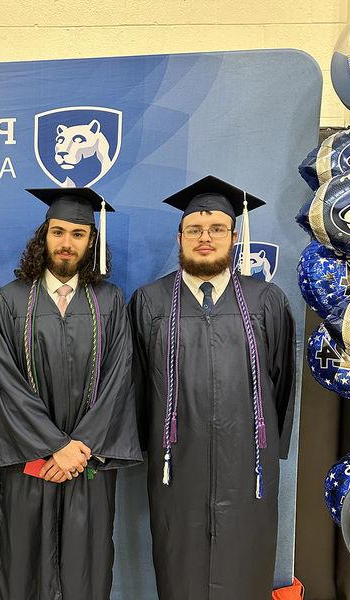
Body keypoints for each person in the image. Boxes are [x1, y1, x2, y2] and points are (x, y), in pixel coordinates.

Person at [129, 175, 297, 600]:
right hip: (176, 463)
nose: (206, 238)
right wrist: (150, 444)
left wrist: (265, 443)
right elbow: (137, 385)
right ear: (180, 236)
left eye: (217, 229)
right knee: (178, 561)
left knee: (245, 562)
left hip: (248, 463)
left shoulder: (266, 301)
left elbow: (281, 382)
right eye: (195, 230)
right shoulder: (150, 301)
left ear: (234, 237)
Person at [0, 187, 141, 600]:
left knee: (85, 566)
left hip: (88, 463)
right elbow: (4, 382)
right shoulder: (8, 300)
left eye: (78, 234)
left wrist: (81, 447)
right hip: (31, 462)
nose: (66, 243)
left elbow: (119, 379)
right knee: (22, 563)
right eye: (58, 232)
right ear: (44, 237)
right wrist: (54, 447)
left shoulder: (110, 301)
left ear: (92, 242)